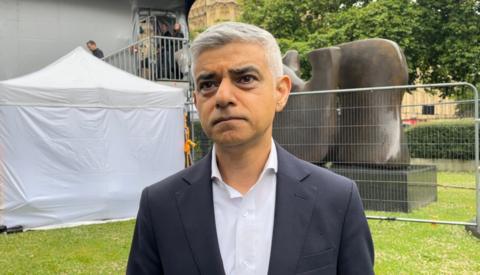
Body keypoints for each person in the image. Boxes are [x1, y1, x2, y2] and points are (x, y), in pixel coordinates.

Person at [127, 22, 374, 275]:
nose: (222, 96)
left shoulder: (337, 199)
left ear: (281, 92)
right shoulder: (159, 206)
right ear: (197, 99)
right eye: (207, 84)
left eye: (245, 79)